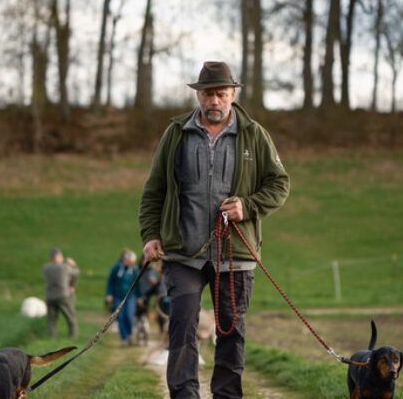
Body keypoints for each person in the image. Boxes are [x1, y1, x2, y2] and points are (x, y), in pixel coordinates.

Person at [139, 61, 290, 398]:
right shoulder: (176, 133)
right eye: (207, 94)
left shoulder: (254, 134)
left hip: (234, 255)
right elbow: (154, 191)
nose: (214, 101)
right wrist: (150, 236)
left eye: (221, 93)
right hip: (183, 253)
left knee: (231, 332)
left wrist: (246, 207)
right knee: (181, 328)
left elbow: (279, 184)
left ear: (233, 94)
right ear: (198, 96)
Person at [105, 249, 143, 346]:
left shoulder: (134, 269)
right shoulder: (116, 268)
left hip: (131, 297)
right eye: (130, 262)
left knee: (129, 316)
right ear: (125, 260)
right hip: (118, 296)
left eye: (133, 262)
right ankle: (124, 338)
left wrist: (140, 297)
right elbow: (110, 282)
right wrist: (109, 294)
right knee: (120, 317)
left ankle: (130, 334)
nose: (132, 264)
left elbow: (138, 283)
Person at [42, 247, 80, 338]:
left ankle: (51, 337)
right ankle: (73, 337)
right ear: (58, 256)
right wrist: (73, 265)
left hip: (50, 295)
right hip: (63, 295)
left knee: (51, 320)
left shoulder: (46, 267)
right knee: (71, 318)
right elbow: (76, 273)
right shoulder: (65, 267)